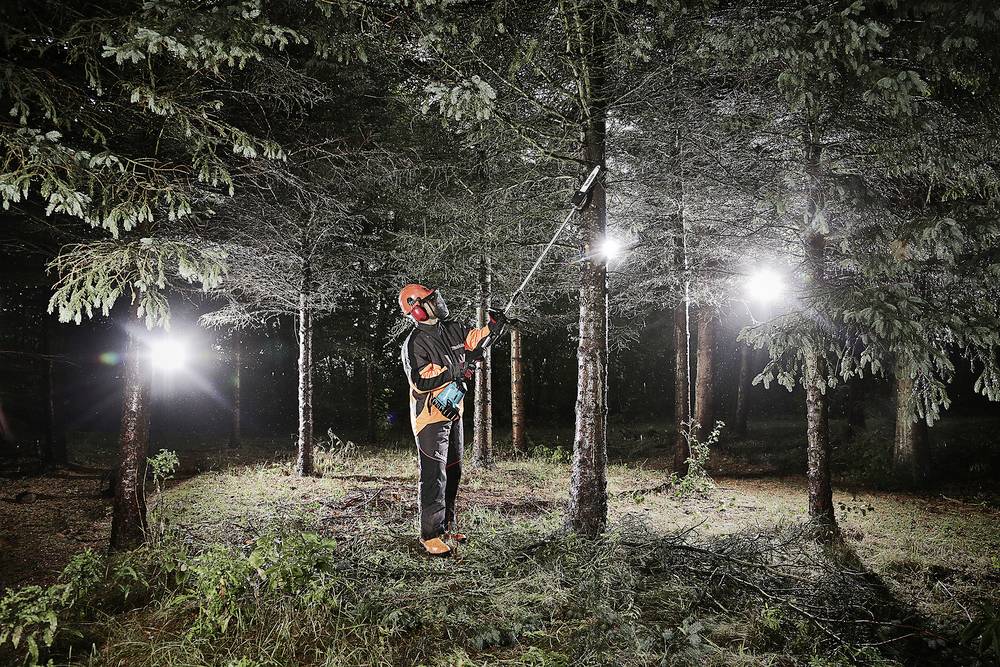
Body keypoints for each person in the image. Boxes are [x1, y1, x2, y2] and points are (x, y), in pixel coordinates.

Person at [398, 283, 508, 556]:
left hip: (453, 413)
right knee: (434, 476)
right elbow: (421, 380)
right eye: (431, 299)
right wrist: (455, 371)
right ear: (417, 311)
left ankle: (446, 527)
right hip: (430, 418)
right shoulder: (414, 342)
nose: (438, 301)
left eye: (436, 297)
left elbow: (475, 340)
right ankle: (430, 535)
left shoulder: (452, 328)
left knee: (453, 472)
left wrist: (494, 327)